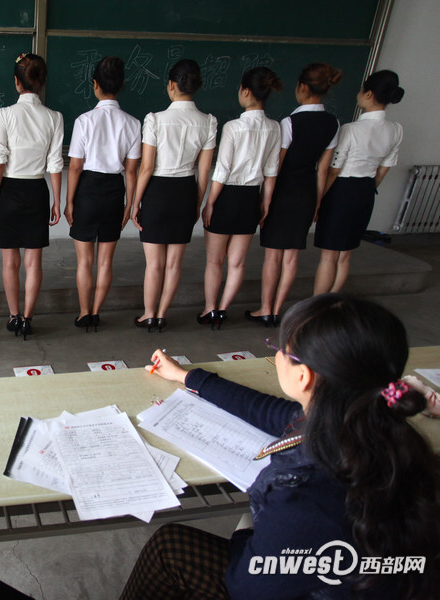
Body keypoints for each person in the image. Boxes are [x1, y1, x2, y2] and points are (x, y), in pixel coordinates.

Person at [120, 294, 440, 600]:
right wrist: (187, 378)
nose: (277, 356)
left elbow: (247, 588)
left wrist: (250, 530)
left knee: (169, 548)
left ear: (303, 376)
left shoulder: (305, 496)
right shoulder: (375, 425)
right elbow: (271, 412)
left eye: (281, 349)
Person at [249, 63, 342, 326]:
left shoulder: (290, 122)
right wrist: (317, 201)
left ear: (302, 87)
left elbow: (275, 166)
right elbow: (323, 169)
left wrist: (265, 198)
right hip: (307, 192)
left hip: (283, 192)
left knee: (273, 256)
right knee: (292, 257)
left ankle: (265, 308)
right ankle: (278, 310)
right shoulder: (333, 122)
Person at [132, 59, 216, 333]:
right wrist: (197, 203)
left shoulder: (155, 119)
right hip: (185, 191)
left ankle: (148, 314)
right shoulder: (208, 123)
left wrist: (135, 203)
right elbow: (204, 172)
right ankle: (162, 315)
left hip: (156, 191)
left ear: (171, 85)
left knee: (153, 264)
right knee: (173, 264)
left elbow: (146, 167)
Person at [198, 67, 282, 330]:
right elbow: (271, 171)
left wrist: (210, 202)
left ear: (246, 91)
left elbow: (221, 170)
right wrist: (265, 202)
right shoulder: (274, 127)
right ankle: (223, 309)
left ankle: (210, 309)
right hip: (251, 197)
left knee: (215, 260)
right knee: (238, 262)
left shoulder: (234, 127)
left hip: (227, 196)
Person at [0, 52, 63, 340]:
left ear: (17, 82)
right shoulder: (55, 118)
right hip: (36, 190)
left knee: (10, 262)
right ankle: (28, 318)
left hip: (9, 190)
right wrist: (57, 199)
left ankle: (13, 315)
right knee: (34, 262)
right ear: (41, 83)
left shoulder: (4, 115)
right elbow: (55, 163)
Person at [64, 56, 141, 332]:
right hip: (114, 190)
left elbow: (75, 166)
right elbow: (131, 171)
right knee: (106, 260)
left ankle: (84, 313)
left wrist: (69, 201)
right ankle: (96, 312)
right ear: (121, 86)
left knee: (85, 260)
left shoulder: (84, 120)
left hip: (86, 189)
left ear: (95, 85)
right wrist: (129, 205)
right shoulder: (133, 123)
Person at [313, 70, 404, 294]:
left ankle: (316, 307)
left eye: (361, 90)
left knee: (328, 255)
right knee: (345, 255)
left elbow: (333, 171)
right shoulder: (396, 130)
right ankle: (332, 302)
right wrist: (368, 189)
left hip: (341, 191)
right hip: (366, 190)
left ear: (369, 94)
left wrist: (318, 200)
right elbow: (383, 169)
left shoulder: (351, 130)